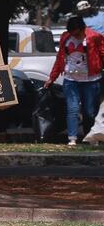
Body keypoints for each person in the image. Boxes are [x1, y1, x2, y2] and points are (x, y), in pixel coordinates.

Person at [45, 15, 104, 146]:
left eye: (77, 34)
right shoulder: (65, 37)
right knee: (73, 109)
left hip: (91, 80)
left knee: (89, 111)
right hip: (71, 80)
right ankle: (72, 138)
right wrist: (52, 78)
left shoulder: (95, 37)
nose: (75, 37)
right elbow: (60, 58)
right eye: (73, 34)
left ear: (83, 29)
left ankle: (90, 137)